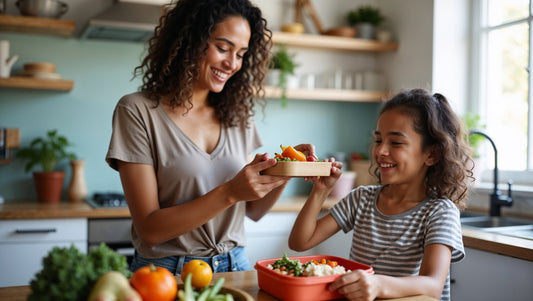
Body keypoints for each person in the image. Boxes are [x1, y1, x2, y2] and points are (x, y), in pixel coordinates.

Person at [105, 0, 316, 275]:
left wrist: (286, 170)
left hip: (235, 267)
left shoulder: (238, 115)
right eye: (223, 48)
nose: (232, 63)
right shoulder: (137, 111)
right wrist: (229, 192)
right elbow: (150, 230)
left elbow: (253, 211)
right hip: (167, 273)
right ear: (190, 41)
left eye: (241, 53)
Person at [288, 88, 472, 301]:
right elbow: (300, 242)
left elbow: (432, 286)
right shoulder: (361, 199)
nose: (381, 151)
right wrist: (321, 191)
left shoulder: (440, 212)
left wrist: (378, 284)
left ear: (431, 154)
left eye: (395, 142)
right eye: (378, 140)